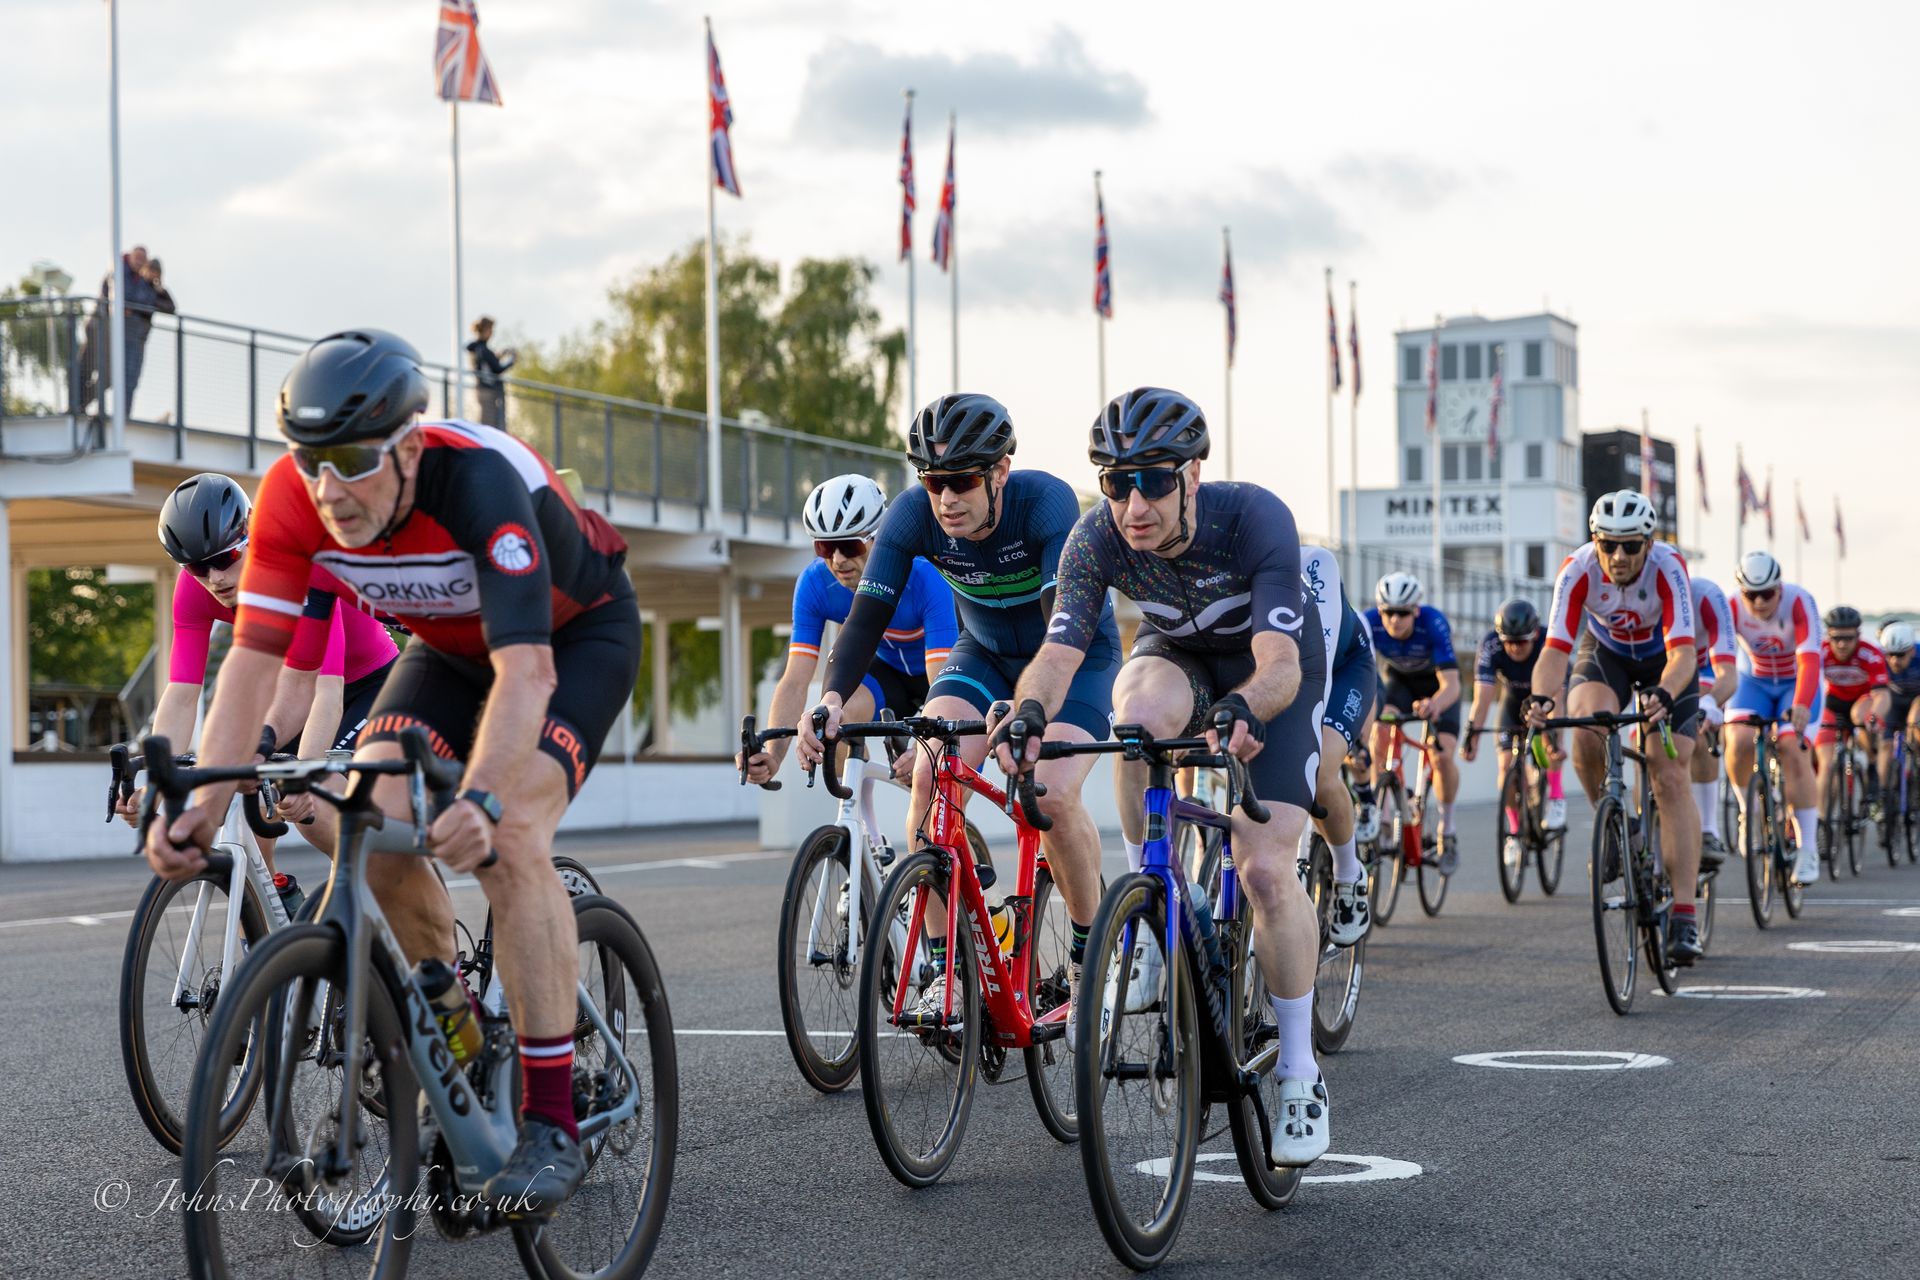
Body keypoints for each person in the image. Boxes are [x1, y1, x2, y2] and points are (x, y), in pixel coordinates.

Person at [141, 328, 638, 1220]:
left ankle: (552, 1118)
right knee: (363, 823)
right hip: (445, 655)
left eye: (354, 462)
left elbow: (525, 675)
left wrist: (482, 797)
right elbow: (250, 669)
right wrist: (203, 803)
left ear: (409, 446)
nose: (329, 489)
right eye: (311, 462)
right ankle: (456, 1016)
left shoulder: (481, 483)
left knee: (513, 833)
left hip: (572, 639)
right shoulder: (296, 500)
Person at [994, 386, 1332, 1167]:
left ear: (1192, 474)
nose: (1134, 502)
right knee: (1135, 716)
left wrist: (1246, 705)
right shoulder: (1096, 537)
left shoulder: (1253, 518)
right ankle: (1154, 898)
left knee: (1266, 870)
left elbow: (1279, 662)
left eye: (1152, 480)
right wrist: (1029, 715)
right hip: (1177, 652)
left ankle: (1297, 1069)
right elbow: (1058, 653)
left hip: (1269, 672)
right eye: (1116, 482)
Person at [796, 393, 1118, 1030]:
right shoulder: (914, 516)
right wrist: (830, 701)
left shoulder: (1048, 504)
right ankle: (946, 965)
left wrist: (1031, 705)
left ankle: (1090, 957)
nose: (945, 498)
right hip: (985, 654)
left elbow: (1064, 627)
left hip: (1072, 656)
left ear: (1000, 471)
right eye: (933, 481)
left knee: (1048, 792)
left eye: (962, 480)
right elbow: (865, 620)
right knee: (931, 770)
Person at [116, 474, 400, 895]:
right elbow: (181, 694)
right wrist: (158, 782)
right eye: (196, 567)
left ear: (250, 535)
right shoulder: (194, 592)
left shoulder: (297, 571)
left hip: (362, 683)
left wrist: (307, 776)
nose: (214, 579)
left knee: (316, 812)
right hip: (289, 686)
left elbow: (325, 690)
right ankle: (271, 915)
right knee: (254, 795)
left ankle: (389, 895)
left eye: (226, 558)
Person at [1528, 491, 1705, 963]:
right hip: (1607, 654)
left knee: (1668, 773)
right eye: (1609, 545)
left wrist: (1665, 693)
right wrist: (1543, 700)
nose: (1619, 556)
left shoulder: (1669, 567)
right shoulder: (1577, 569)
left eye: (1631, 546)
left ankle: (1685, 913)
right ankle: (1615, 824)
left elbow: (1684, 653)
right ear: (1595, 542)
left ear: (1649, 544)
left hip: (1665, 664)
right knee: (1586, 727)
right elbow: (1554, 652)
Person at [736, 474, 957, 784]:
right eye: (825, 547)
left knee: (933, 780)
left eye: (849, 545)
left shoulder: (923, 576)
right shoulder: (815, 584)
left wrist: (929, 746)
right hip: (886, 675)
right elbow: (795, 679)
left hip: (941, 674)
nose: (838, 560)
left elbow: (941, 680)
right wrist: (773, 754)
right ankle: (858, 825)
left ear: (878, 539)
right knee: (832, 729)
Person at [1723, 550, 1824, 885]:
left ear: (1779, 588)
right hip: (1754, 681)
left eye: (1767, 593)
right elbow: (1714, 654)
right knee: (1737, 740)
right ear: (1741, 592)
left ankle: (1808, 848)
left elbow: (1810, 660)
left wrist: (1801, 704)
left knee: (1793, 748)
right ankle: (1746, 811)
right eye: (1751, 595)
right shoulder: (1731, 607)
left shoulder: (1798, 601)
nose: (1760, 602)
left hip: (1796, 682)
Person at [1301, 544, 1376, 947]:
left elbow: (1320, 670)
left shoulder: (1314, 565)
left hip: (1342, 670)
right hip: (1280, 675)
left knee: (1317, 771)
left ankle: (1349, 876)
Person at [1364, 571, 1464, 873]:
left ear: (1415, 611)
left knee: (1442, 755)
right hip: (1399, 682)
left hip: (1437, 685)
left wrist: (1435, 704)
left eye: (1402, 613)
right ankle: (1380, 813)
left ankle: (1447, 827)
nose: (1394, 620)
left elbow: (1453, 686)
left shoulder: (1432, 622)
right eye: (1388, 613)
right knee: (1380, 728)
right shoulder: (1367, 622)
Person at [1460, 597, 1567, 874]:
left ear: (1533, 635)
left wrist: (1556, 738)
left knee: (1550, 744)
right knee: (1506, 766)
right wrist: (1471, 734)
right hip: (1511, 703)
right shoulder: (1490, 645)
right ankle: (1514, 832)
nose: (1515, 648)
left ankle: (1554, 795)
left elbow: (1559, 695)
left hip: (1544, 699)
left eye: (1521, 642)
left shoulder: (1548, 641)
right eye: (1509, 642)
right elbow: (1482, 697)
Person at [79, 245, 174, 420]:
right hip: (104, 330)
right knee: (91, 369)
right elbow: (120, 296)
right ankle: (78, 405)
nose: (139, 263)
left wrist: (157, 289)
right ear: (130, 257)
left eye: (142, 260)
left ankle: (119, 414)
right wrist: (138, 306)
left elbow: (170, 307)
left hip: (132, 338)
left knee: (124, 378)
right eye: (137, 258)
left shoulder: (147, 285)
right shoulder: (120, 272)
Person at [1815, 605, 1891, 813]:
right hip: (1833, 702)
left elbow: (1882, 694)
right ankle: (1822, 822)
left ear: (1858, 635)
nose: (1841, 644)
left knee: (1859, 715)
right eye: (1836, 638)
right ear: (1827, 635)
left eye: (1848, 638)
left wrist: (1875, 716)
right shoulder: (1820, 652)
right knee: (1826, 763)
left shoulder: (1870, 654)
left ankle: (1872, 764)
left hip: (1863, 700)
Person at [1688, 575, 1741, 869]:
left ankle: (1708, 828)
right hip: (1655, 671)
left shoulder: (1707, 595)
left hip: (1705, 667)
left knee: (1699, 727)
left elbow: (1726, 674)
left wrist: (1709, 703)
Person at [1876, 622, 1920, 792]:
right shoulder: (1878, 657)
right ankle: (1883, 793)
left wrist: (1917, 705)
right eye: (1890, 655)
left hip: (1917, 698)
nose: (1895, 660)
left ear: (1912, 651)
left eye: (1901, 655)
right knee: (1885, 745)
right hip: (1894, 699)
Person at [468, 316, 517, 429]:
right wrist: (511, 361)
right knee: (489, 424)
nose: (492, 333)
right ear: (485, 330)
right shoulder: (482, 349)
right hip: (487, 391)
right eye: (490, 330)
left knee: (488, 422)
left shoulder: (477, 348)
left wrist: (499, 356)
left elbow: (488, 364)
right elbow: (497, 369)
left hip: (482, 389)